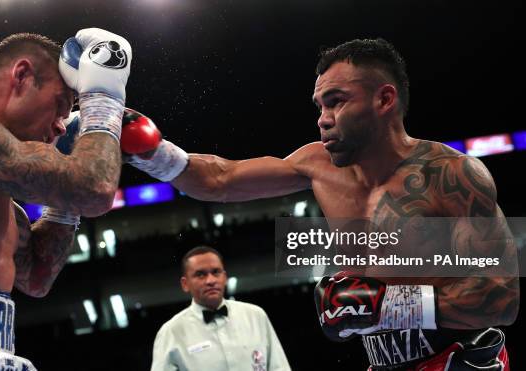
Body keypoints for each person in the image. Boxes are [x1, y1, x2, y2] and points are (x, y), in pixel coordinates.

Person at [122, 38, 519, 370]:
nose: (323, 119)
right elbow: (219, 179)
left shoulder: (452, 175)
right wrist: (150, 151)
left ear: (384, 99)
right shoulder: (318, 165)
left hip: (460, 360)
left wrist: (386, 306)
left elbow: (501, 298)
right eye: (320, 106)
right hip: (382, 362)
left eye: (336, 102)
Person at [0, 27, 131, 370]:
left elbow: (37, 278)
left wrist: (65, 191)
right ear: (22, 75)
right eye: (61, 106)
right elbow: (95, 190)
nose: (62, 126)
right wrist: (103, 100)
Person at [151, 246, 291, 371]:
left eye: (216, 272)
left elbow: (280, 367)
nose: (210, 280)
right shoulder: (171, 332)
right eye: (200, 274)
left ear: (224, 277)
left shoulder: (255, 316)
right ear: (185, 283)